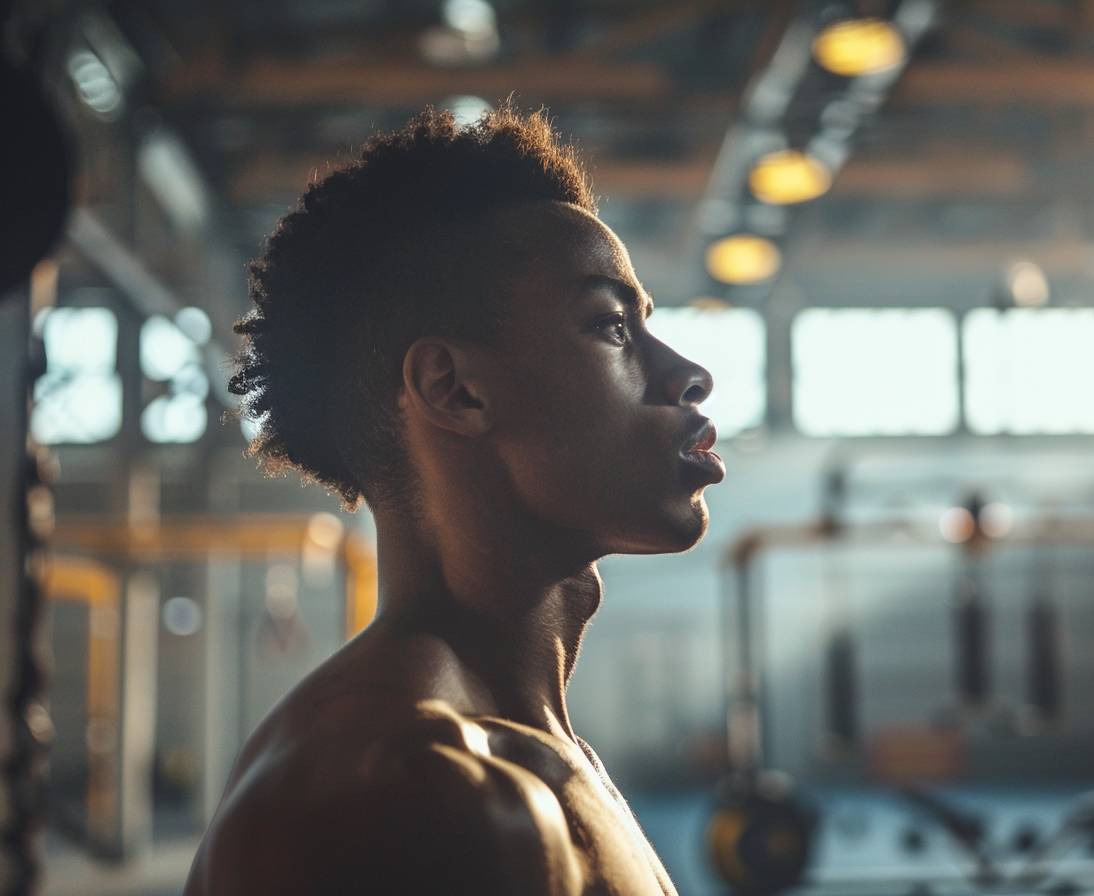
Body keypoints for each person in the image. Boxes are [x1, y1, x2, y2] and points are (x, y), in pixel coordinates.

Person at [184, 105, 724, 895]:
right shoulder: (398, 792)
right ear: (455, 389)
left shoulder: (518, 748)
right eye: (611, 326)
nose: (685, 373)